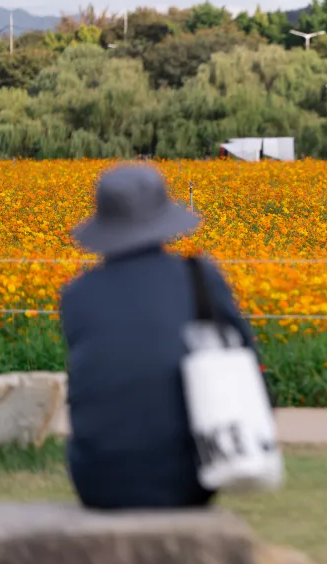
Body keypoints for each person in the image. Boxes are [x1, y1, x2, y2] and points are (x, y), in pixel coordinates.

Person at [60, 162, 268, 510]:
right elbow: (249, 364)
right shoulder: (199, 277)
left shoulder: (76, 294)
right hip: (187, 481)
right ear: (163, 220)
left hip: (97, 483)